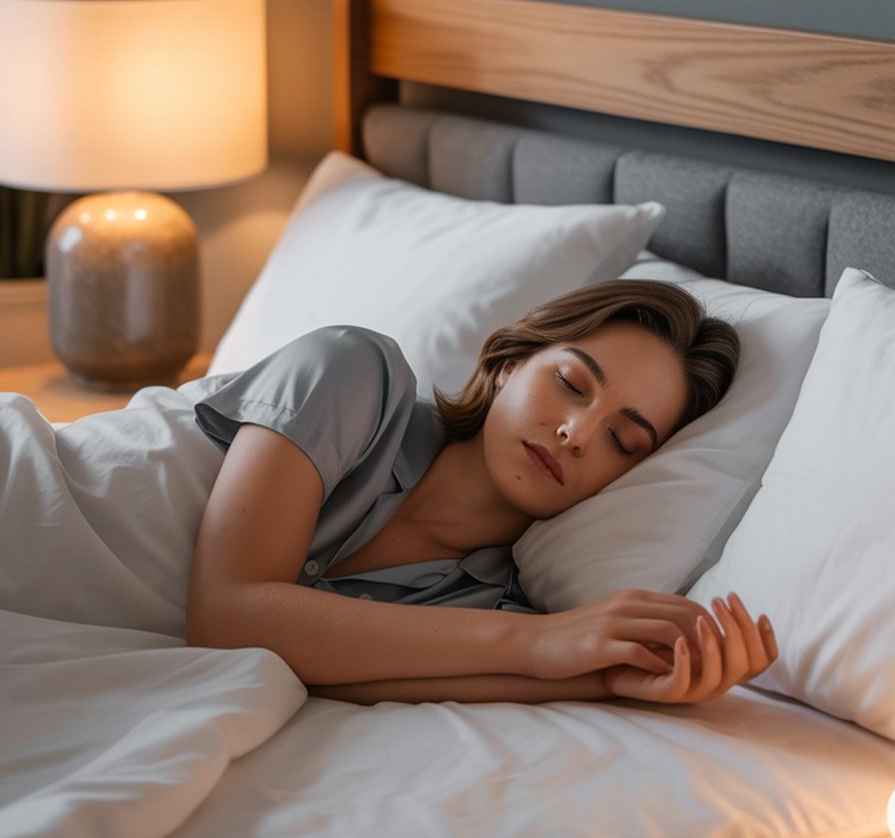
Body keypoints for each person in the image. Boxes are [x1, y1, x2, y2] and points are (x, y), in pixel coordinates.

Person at [186, 280, 777, 707]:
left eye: (621, 441)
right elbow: (227, 616)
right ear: (511, 363)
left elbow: (331, 674)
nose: (577, 433)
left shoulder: (494, 605)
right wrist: (539, 645)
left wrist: (610, 678)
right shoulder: (355, 371)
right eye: (571, 383)